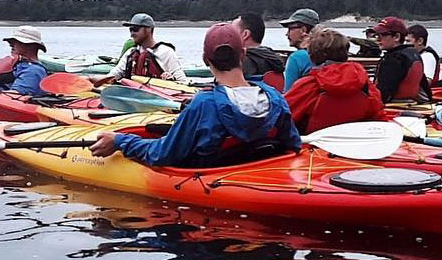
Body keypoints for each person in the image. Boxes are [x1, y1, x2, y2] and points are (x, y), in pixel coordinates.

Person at [89, 23, 301, 167]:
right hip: (255, 170)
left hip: (212, 179)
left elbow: (162, 154)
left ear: (205, 60)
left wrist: (121, 141)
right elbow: (292, 146)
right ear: (243, 54)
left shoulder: (204, 103)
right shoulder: (275, 97)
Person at [283, 27, 388, 134]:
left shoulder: (309, 84)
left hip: (312, 140)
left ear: (312, 55)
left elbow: (283, 115)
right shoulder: (364, 83)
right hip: (352, 138)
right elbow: (378, 116)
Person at [94, 13, 187, 85]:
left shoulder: (166, 52)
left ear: (148, 29)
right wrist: (90, 79)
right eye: (130, 30)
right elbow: (112, 76)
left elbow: (182, 81)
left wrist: (170, 80)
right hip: (132, 95)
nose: (132, 34)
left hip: (157, 96)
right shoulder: (130, 53)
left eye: (135, 29)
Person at [367, 16, 429, 104]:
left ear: (396, 37)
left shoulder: (393, 60)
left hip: (394, 105)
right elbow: (425, 87)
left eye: (383, 35)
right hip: (410, 103)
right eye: (377, 35)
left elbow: (383, 94)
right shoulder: (414, 53)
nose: (378, 39)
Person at [230, 12, 285, 80]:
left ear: (245, 34)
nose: (228, 35)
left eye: (232, 31)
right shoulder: (273, 59)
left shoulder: (240, 63)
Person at [278, 8, 320, 91]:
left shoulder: (297, 57)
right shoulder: (327, 53)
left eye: (290, 29)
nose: (287, 34)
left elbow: (288, 93)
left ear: (303, 30)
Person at [406, 23, 442, 87]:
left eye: (408, 41)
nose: (405, 44)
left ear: (420, 41)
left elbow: (427, 82)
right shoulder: (418, 56)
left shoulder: (427, 57)